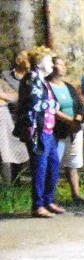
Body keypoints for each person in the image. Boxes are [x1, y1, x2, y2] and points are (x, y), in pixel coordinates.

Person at [15, 48, 62, 218]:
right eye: (49, 61)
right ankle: (38, 205)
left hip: (48, 130)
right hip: (37, 130)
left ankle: (48, 200)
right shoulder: (31, 78)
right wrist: (52, 106)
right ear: (40, 62)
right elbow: (34, 105)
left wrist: (54, 105)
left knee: (53, 165)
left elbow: (50, 101)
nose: (52, 64)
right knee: (40, 168)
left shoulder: (43, 80)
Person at [48, 56, 84, 207]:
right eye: (59, 64)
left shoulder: (68, 86)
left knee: (73, 164)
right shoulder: (46, 86)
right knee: (53, 164)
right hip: (57, 132)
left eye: (63, 65)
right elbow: (51, 108)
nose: (62, 67)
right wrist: (69, 121)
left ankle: (76, 195)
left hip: (74, 131)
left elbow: (79, 105)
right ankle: (49, 199)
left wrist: (77, 120)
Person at [0, 51, 31, 185]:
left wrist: (2, 95)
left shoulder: (32, 76)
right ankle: (8, 185)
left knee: (15, 151)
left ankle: (14, 183)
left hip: (16, 118)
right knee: (4, 154)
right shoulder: (5, 76)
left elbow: (15, 96)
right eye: (26, 59)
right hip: (8, 117)